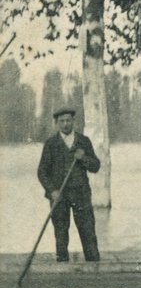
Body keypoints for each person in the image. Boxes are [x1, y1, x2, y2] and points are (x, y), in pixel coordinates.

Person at [36, 107, 100, 262]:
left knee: (87, 230)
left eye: (68, 120)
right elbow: (42, 172)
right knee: (61, 232)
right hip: (59, 194)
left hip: (81, 193)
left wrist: (83, 157)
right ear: (57, 123)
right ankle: (62, 266)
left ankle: (95, 266)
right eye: (62, 121)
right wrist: (52, 191)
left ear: (73, 121)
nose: (65, 124)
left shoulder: (83, 141)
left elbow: (96, 166)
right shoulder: (51, 143)